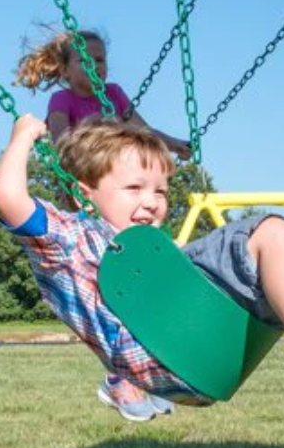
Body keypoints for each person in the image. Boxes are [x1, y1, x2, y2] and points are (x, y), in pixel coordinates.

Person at [0, 115, 284, 405]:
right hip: (168, 347)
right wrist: (23, 137)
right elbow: (8, 197)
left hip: (199, 351)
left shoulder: (149, 250)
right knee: (269, 233)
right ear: (85, 193)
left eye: (160, 191)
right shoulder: (70, 238)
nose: (152, 202)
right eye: (134, 189)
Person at [14, 27, 190, 423]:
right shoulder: (63, 99)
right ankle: (120, 379)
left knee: (141, 285)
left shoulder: (115, 95)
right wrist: (84, 157)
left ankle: (143, 377)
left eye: (101, 59)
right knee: (108, 287)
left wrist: (172, 144)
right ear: (64, 66)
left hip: (122, 199)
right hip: (90, 199)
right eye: (86, 60)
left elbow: (142, 129)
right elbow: (60, 134)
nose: (96, 67)